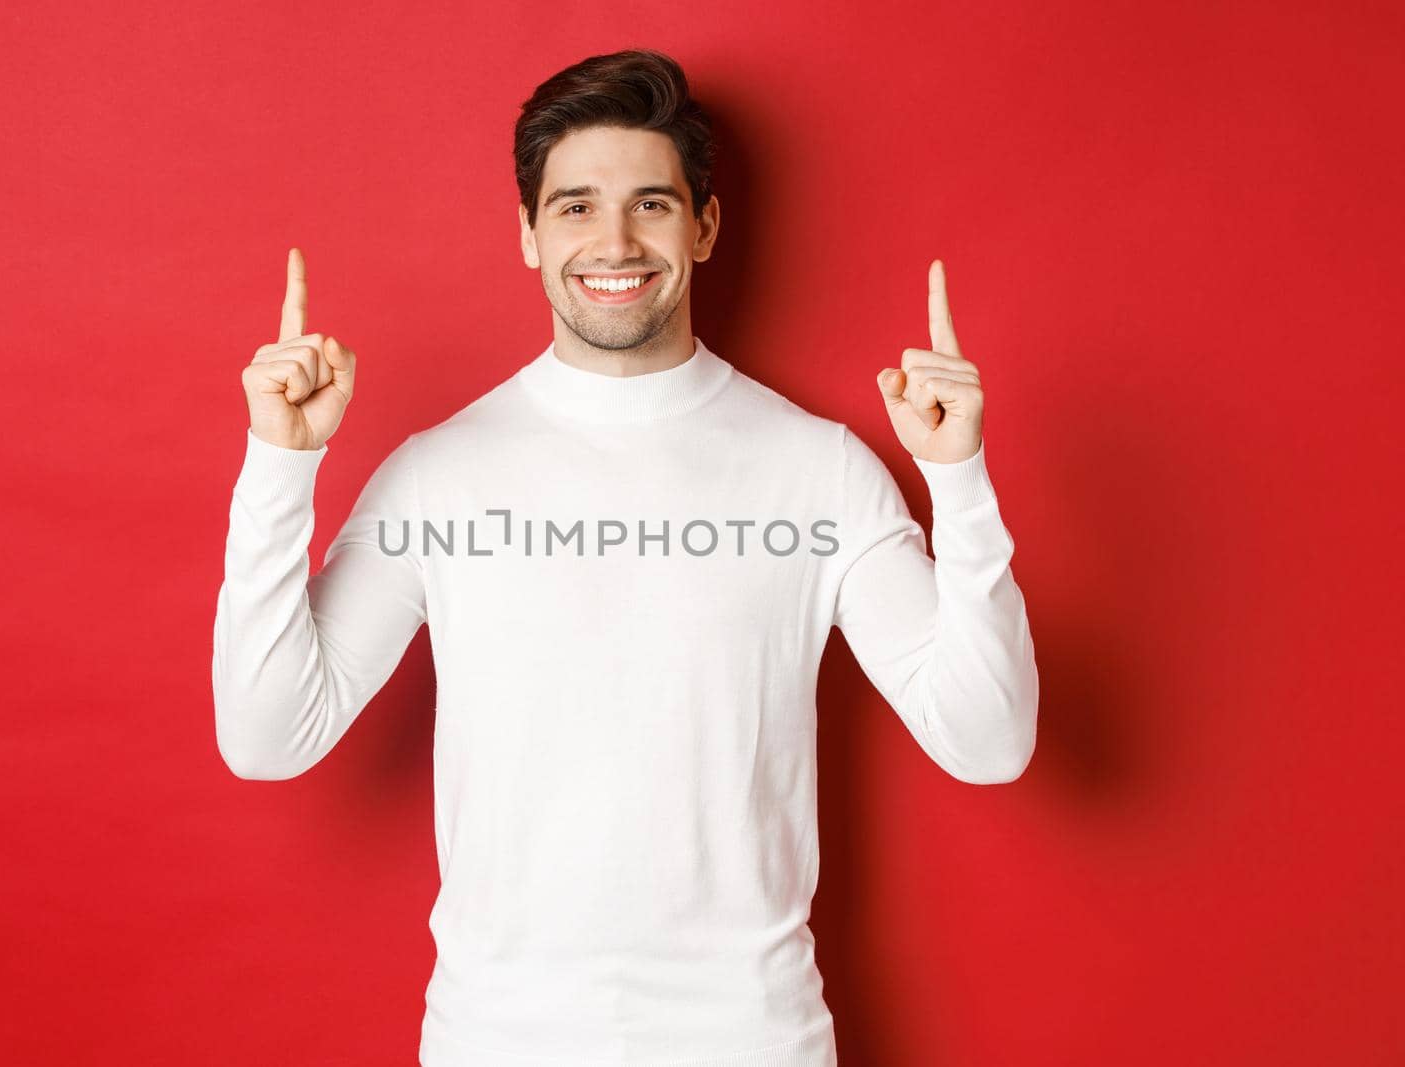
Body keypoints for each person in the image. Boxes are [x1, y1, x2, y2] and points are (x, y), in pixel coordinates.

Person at [212, 47, 1037, 1067]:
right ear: (527, 233)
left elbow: (989, 741)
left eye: (650, 203)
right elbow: (266, 734)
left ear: (704, 225)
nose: (613, 240)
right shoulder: (439, 475)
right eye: (573, 206)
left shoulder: (816, 469)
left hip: (754, 1040)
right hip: (495, 1041)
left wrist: (956, 478)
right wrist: (278, 467)